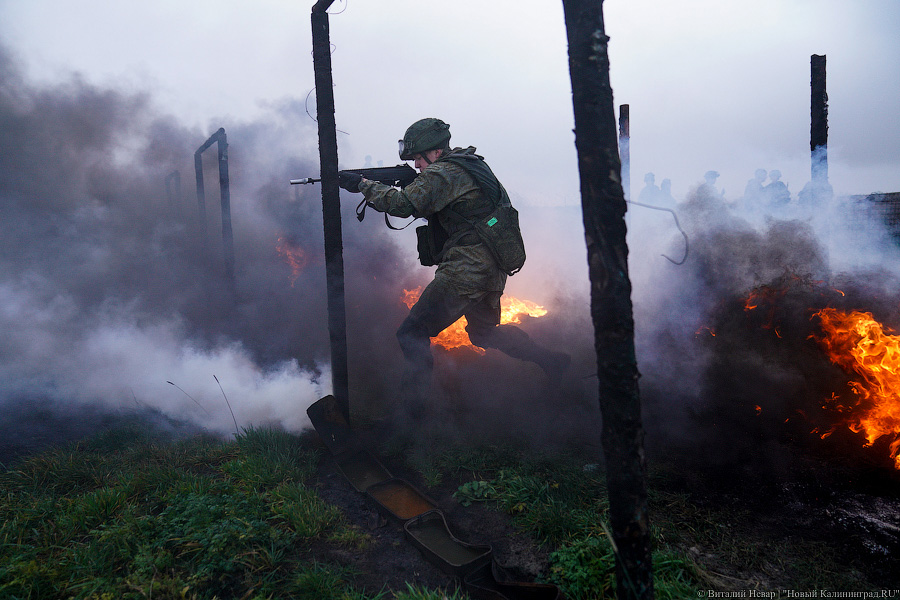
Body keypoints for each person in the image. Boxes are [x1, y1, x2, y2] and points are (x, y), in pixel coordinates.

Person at [338, 118, 570, 421]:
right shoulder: (466, 165)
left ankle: (410, 413)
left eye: (419, 158)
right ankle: (552, 361)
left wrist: (362, 185)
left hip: (467, 268)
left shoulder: (443, 172)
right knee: (484, 334)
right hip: (491, 265)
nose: (417, 165)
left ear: (434, 152)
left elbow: (403, 205)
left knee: (412, 332)